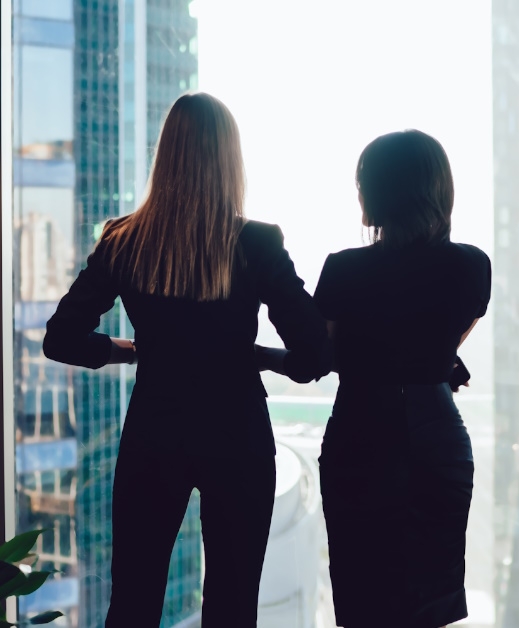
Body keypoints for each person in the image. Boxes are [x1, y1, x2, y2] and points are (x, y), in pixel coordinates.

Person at [41, 92, 329, 627]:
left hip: (156, 432)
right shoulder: (258, 243)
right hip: (237, 435)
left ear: (166, 154)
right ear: (230, 158)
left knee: (132, 605)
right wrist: (262, 356)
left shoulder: (123, 240)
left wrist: (128, 350)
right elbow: (315, 352)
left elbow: (61, 338)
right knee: (232, 607)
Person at [305, 130, 489, 627]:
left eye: (363, 182)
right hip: (439, 439)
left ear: (386, 191)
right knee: (431, 601)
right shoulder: (472, 267)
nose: (358, 193)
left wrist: (251, 353)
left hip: (361, 437)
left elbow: (316, 359)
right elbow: (445, 345)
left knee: (365, 598)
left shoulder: (344, 270)